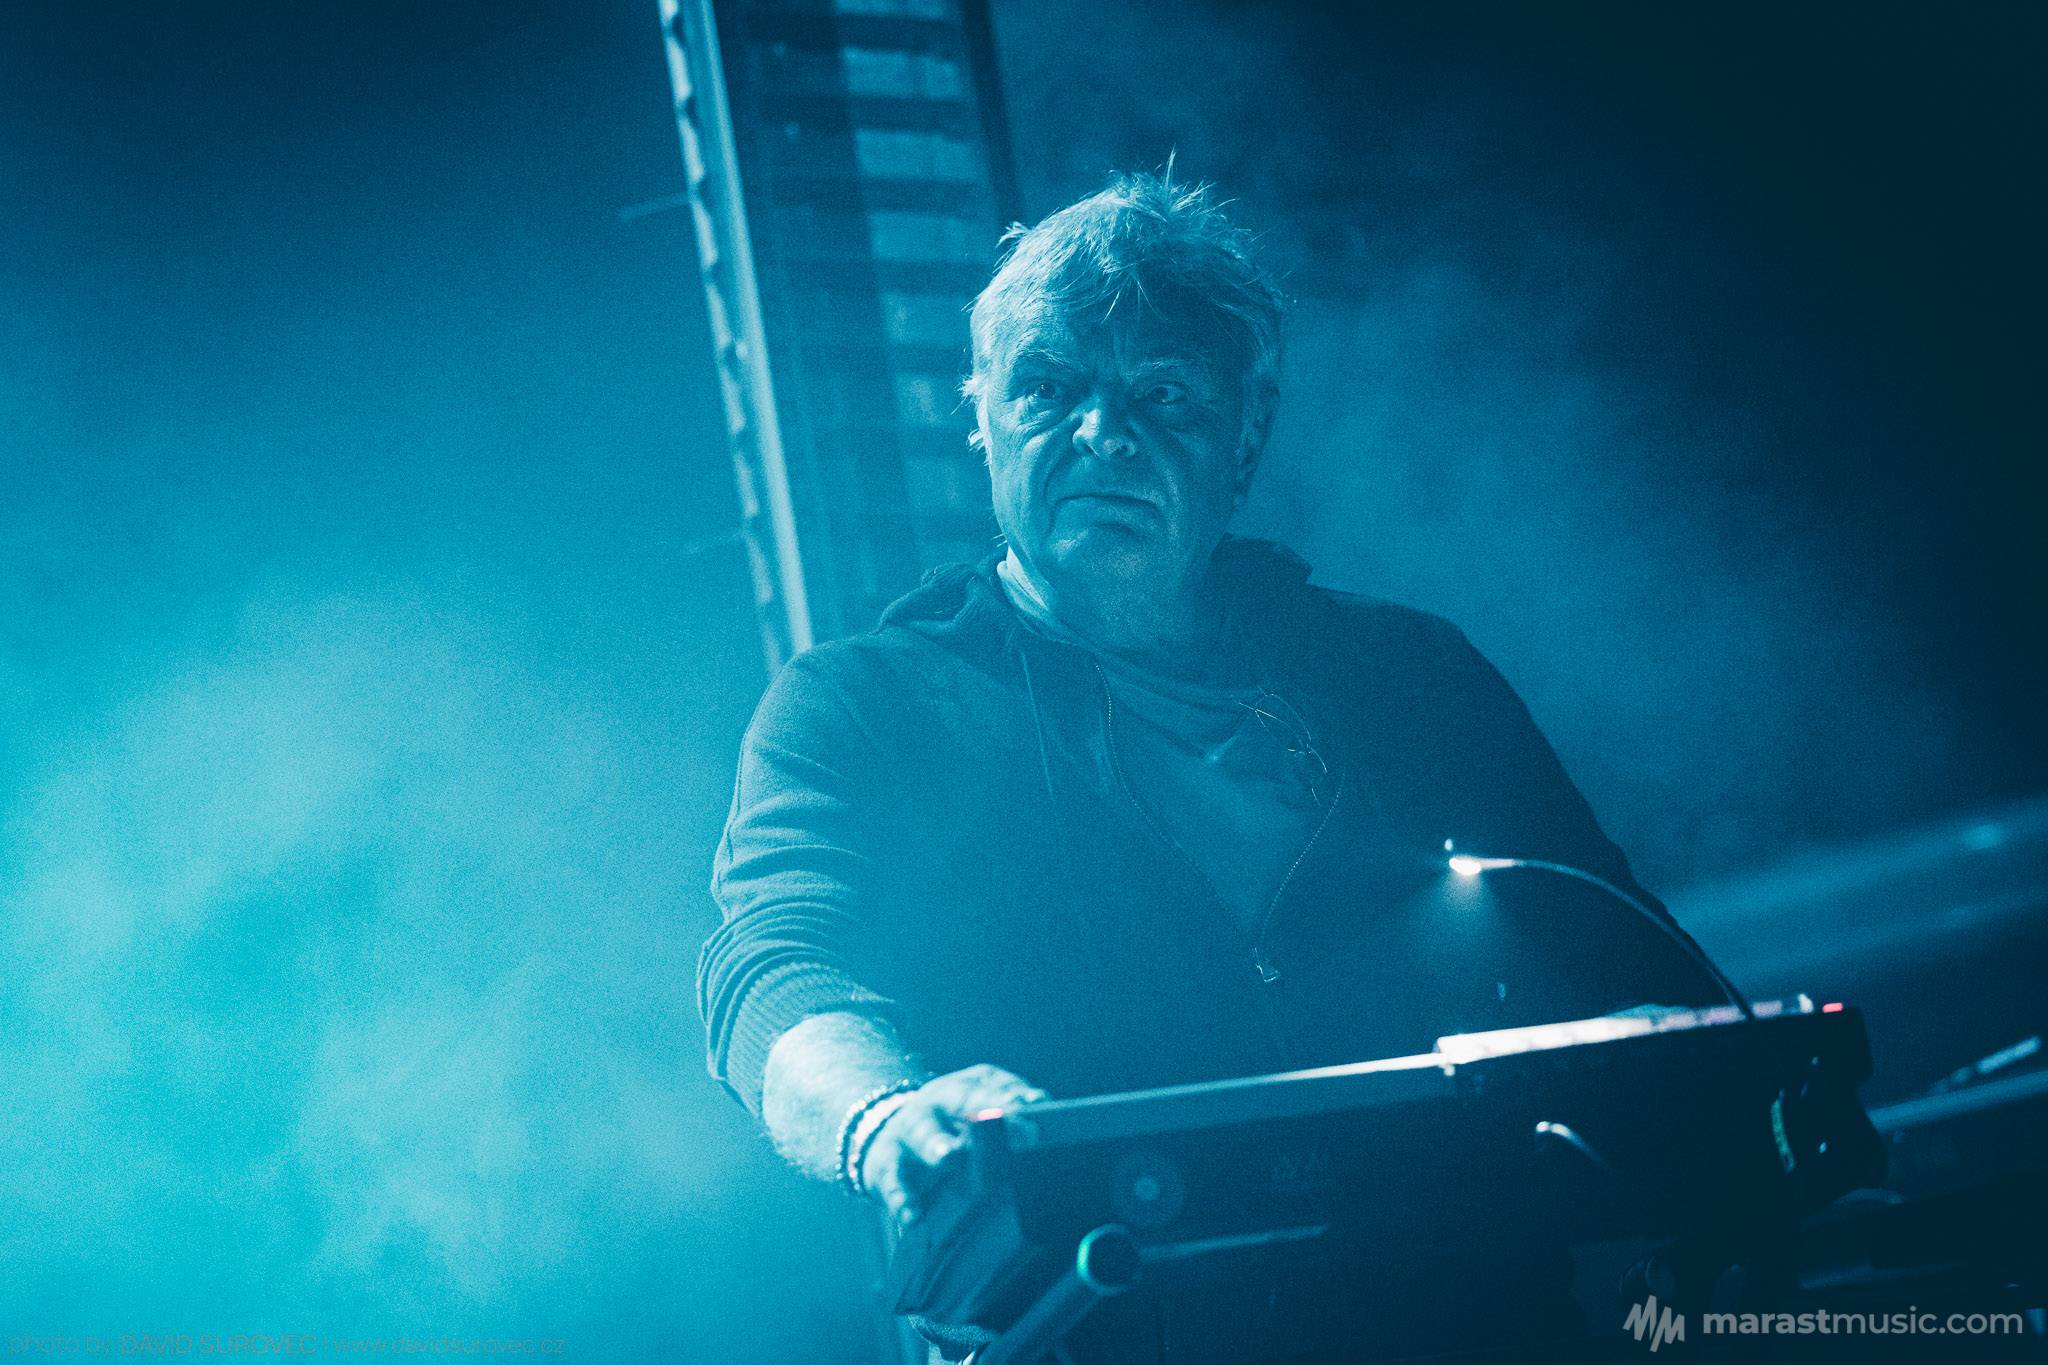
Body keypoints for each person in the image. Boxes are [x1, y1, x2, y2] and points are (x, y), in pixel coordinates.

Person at [697, 172, 1728, 1361]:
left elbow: (1630, 966)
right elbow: (774, 970)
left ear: (1245, 433)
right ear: (978, 416)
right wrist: (882, 1118)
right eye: (1047, 388)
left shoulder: (1406, 676)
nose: (1102, 434)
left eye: (1162, 395)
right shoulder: (862, 708)